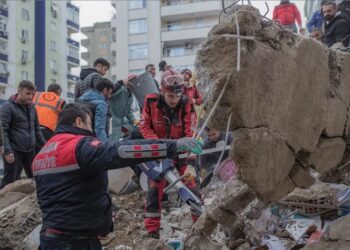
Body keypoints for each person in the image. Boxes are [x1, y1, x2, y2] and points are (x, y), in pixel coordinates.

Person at [33, 103, 203, 250]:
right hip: (74, 242)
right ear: (79, 121)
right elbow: (121, 151)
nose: (92, 129)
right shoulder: (78, 146)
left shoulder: (41, 155)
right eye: (89, 123)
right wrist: (173, 146)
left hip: (51, 236)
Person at [139, 69, 200, 239]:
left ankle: (200, 226)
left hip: (182, 151)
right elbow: (144, 126)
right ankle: (152, 232)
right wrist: (160, 146)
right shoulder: (151, 102)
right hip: (158, 151)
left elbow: (191, 134)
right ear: (162, 91)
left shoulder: (187, 104)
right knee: (153, 191)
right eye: (170, 96)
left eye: (177, 96)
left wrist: (191, 163)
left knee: (193, 188)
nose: (174, 100)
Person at [0, 80, 46, 189]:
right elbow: (3, 131)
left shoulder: (32, 108)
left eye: (32, 94)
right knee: (9, 181)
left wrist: (45, 145)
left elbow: (37, 129)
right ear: (19, 91)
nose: (30, 97)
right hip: (13, 150)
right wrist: (7, 150)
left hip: (30, 149)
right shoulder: (7, 107)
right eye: (28, 93)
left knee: (35, 178)